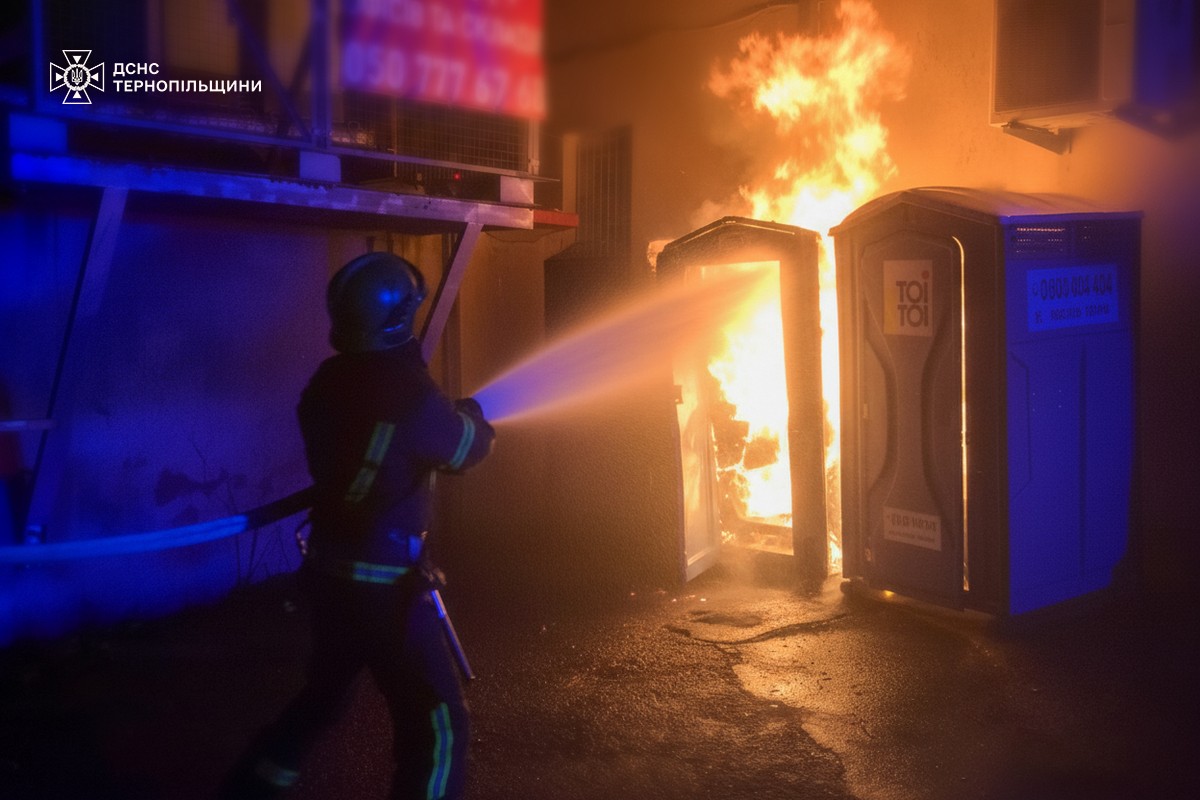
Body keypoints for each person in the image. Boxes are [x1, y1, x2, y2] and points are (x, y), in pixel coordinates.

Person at [221, 252, 495, 800]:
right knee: (440, 725)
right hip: (388, 589)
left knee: (323, 697)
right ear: (401, 319)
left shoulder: (327, 381)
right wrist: (474, 417)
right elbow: (466, 449)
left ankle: (250, 789)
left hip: (329, 574)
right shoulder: (412, 393)